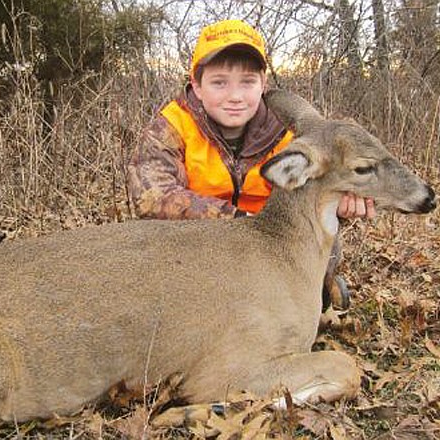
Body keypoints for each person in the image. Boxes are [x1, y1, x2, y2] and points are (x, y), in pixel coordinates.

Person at [126, 19, 375, 312]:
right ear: (197, 85)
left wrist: (342, 207)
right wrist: (240, 221)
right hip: (199, 249)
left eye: (247, 82)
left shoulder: (290, 131)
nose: (235, 96)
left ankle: (320, 286)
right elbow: (153, 198)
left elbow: (319, 196)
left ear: (263, 84)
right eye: (219, 82)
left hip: (275, 250)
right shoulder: (172, 125)